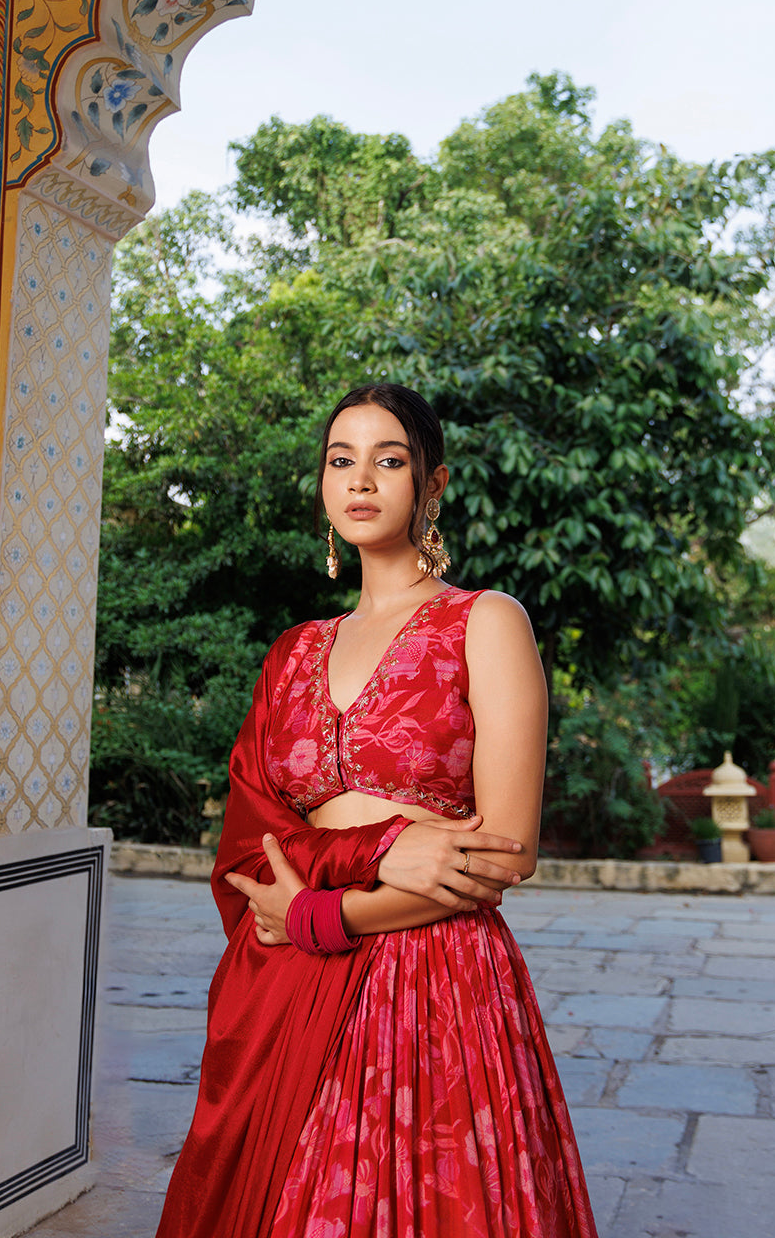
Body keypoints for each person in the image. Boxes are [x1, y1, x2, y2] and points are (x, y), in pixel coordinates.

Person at [155, 383, 598, 1238]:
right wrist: (382, 849)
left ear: (432, 485)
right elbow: (248, 848)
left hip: (433, 982)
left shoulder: (484, 623)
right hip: (288, 984)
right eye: (341, 461)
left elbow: (504, 855)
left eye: (388, 461)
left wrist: (323, 916)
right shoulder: (294, 653)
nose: (360, 481)